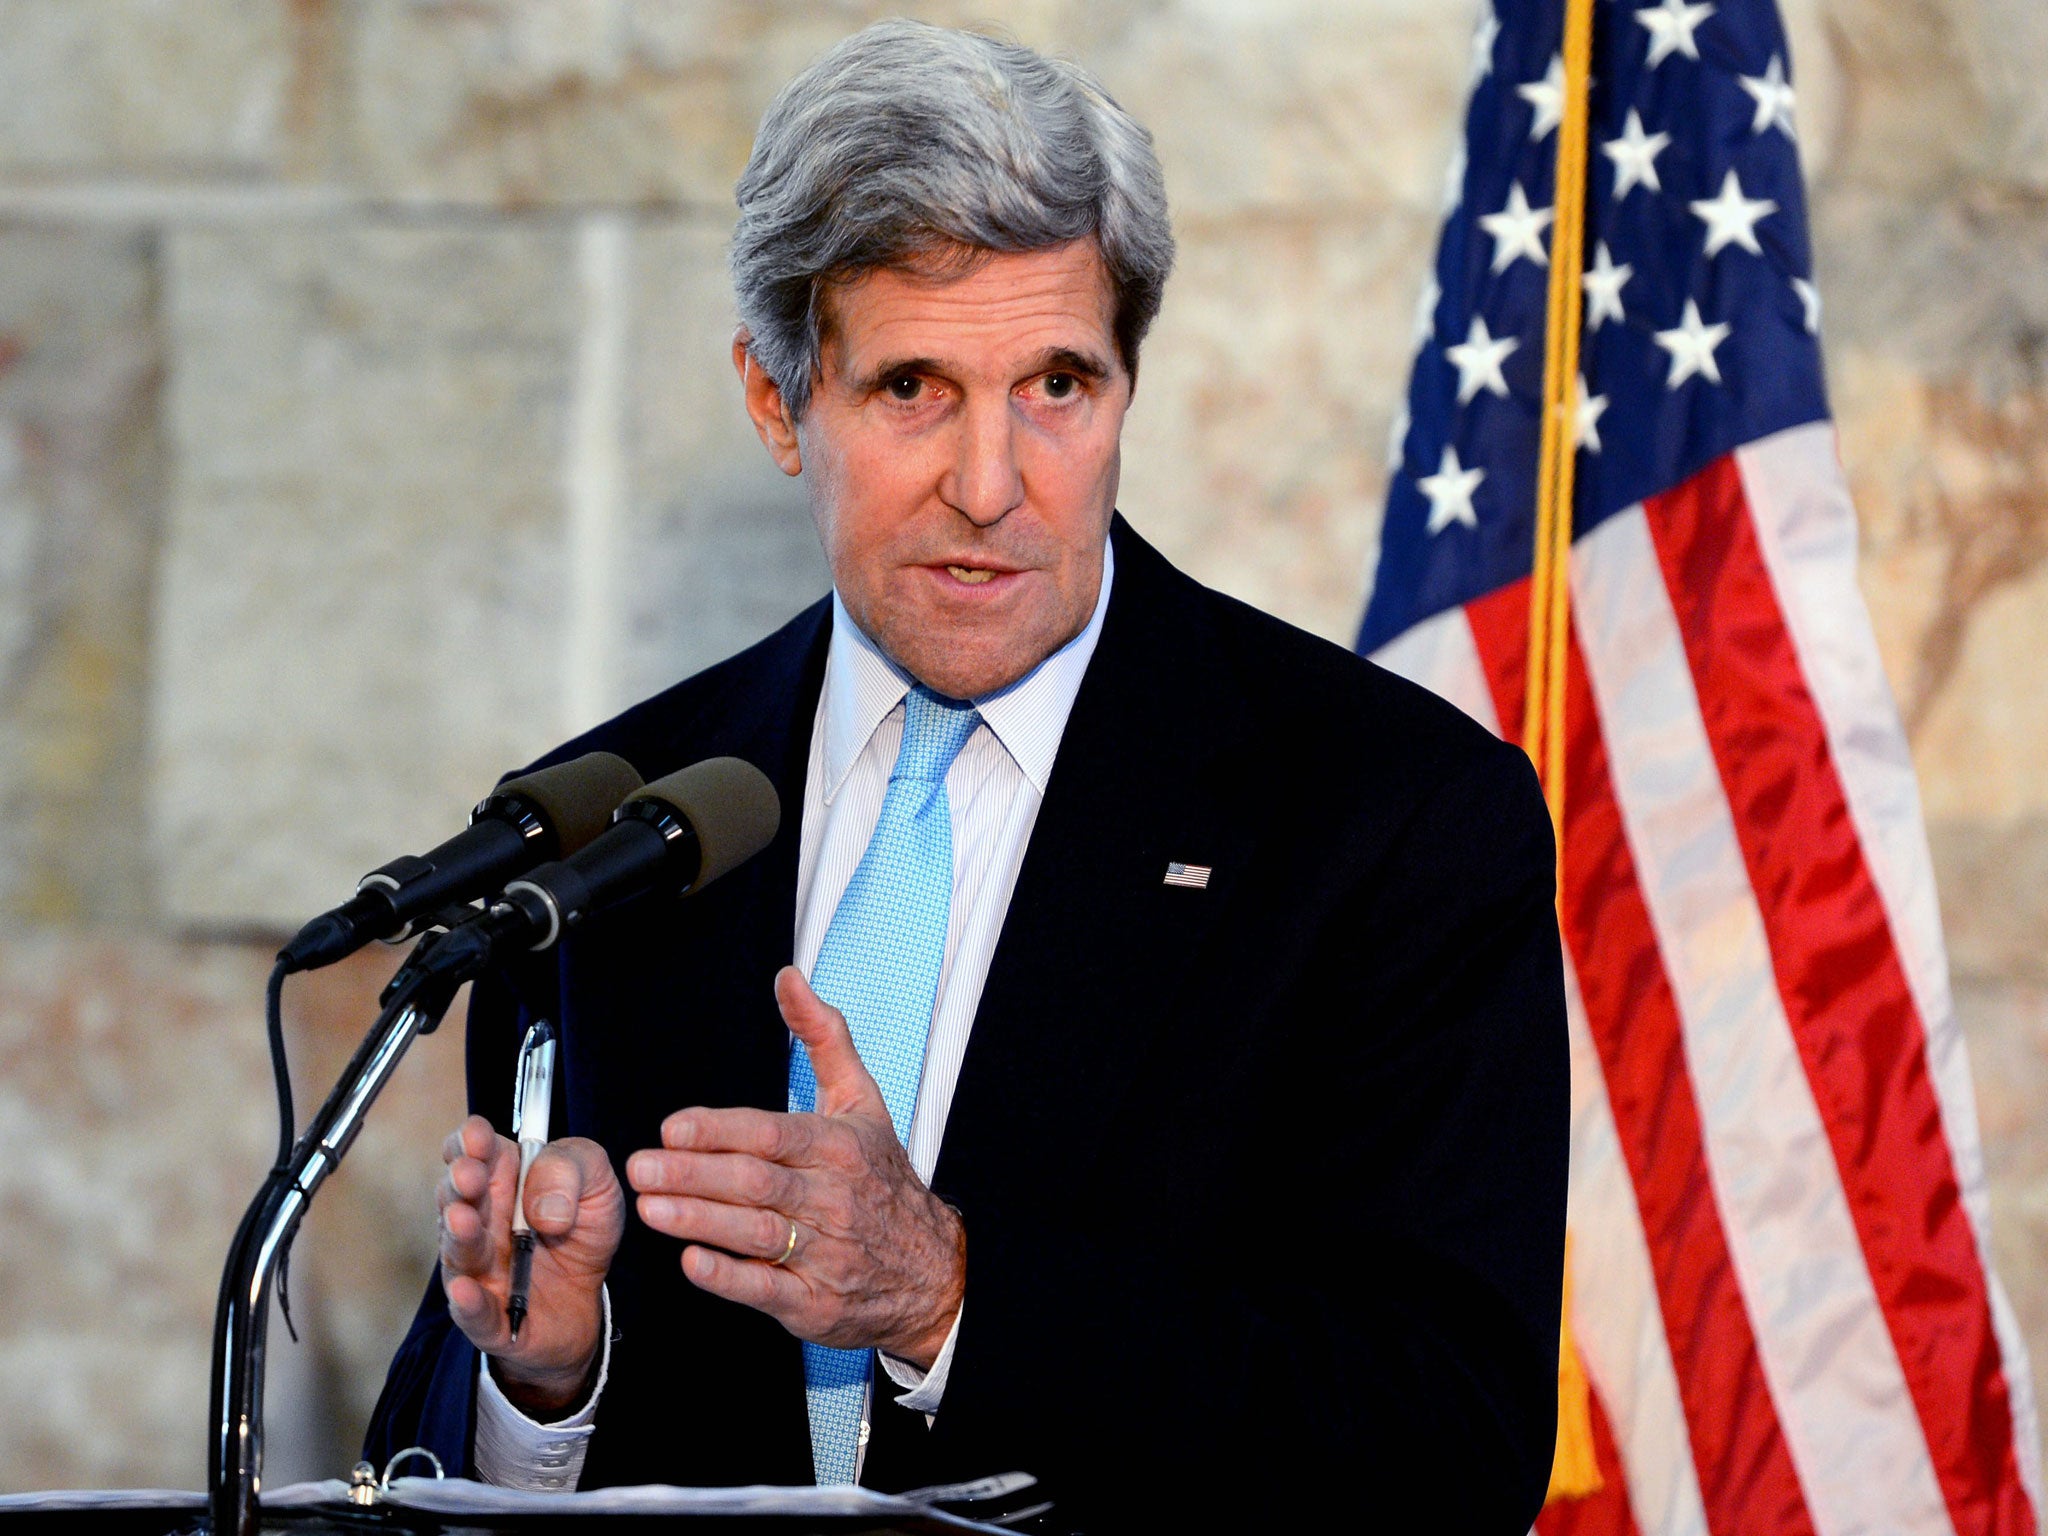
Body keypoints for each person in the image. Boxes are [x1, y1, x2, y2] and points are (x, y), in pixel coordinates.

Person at [366, 19, 1568, 1529]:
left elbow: (1447, 1442)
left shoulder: (1389, 817)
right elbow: (433, 1450)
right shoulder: (609, 831)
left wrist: (948, 1296)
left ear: (1131, 382)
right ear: (776, 400)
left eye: (1056, 385)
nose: (992, 487)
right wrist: (545, 1385)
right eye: (914, 389)